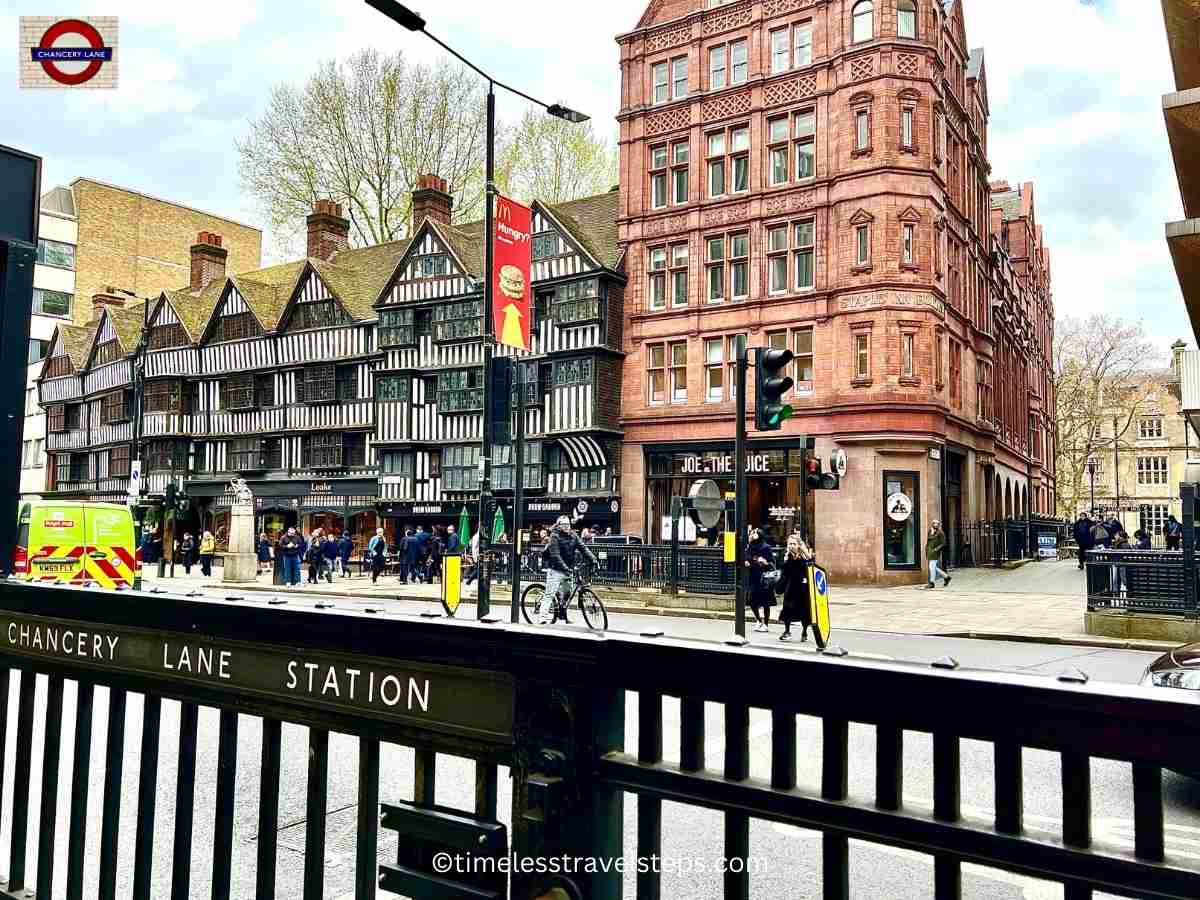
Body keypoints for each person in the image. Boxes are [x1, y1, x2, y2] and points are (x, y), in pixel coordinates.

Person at [538, 516, 599, 625]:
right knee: (549, 594)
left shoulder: (573, 536)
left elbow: (583, 548)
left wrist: (593, 560)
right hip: (555, 570)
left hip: (568, 569)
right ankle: (542, 617)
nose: (566, 527)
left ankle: (562, 611)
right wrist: (566, 568)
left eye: (568, 525)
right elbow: (555, 555)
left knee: (567, 592)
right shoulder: (554, 536)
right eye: (564, 525)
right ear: (559, 525)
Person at [776, 535, 816, 644]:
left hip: (802, 587)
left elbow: (812, 565)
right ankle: (787, 631)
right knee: (787, 608)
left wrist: (806, 553)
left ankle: (804, 632)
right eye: (790, 544)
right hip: (791, 585)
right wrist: (785, 561)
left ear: (798, 545)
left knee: (804, 610)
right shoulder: (786, 555)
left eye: (794, 544)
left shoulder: (803, 555)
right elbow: (784, 571)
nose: (792, 546)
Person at [745, 528, 777, 632]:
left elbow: (772, 563)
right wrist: (747, 561)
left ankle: (766, 624)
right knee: (752, 600)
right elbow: (746, 556)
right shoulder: (751, 546)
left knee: (765, 602)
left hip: (764, 577)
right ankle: (758, 620)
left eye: (755, 532)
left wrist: (765, 562)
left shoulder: (766, 547)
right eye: (752, 532)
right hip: (753, 576)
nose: (752, 534)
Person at [925, 521, 951, 590]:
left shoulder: (941, 533)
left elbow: (943, 543)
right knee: (933, 567)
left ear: (939, 525)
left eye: (937, 524)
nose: (935, 525)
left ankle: (932, 583)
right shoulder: (930, 531)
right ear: (932, 524)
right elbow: (928, 541)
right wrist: (927, 550)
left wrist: (936, 549)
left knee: (931, 567)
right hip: (929, 551)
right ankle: (946, 577)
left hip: (935, 552)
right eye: (934, 523)